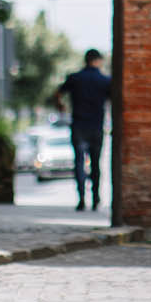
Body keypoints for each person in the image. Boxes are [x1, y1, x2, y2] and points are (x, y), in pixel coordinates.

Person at [51, 48, 111, 212]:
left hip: (78, 125)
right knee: (96, 164)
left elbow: (57, 93)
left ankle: (81, 199)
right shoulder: (105, 80)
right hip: (96, 127)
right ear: (98, 61)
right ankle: (96, 198)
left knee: (79, 163)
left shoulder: (74, 78)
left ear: (86, 60)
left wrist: (60, 106)